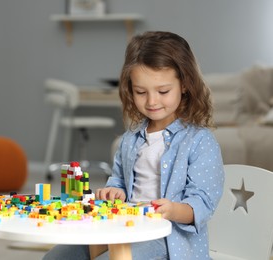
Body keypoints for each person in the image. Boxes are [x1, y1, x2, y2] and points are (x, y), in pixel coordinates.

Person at [43, 31, 224, 260]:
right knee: (57, 257)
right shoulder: (131, 139)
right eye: (141, 92)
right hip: (125, 226)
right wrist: (114, 191)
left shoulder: (199, 141)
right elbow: (119, 179)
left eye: (163, 91)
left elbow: (203, 201)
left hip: (167, 238)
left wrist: (174, 210)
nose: (151, 101)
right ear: (130, 88)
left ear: (185, 85)